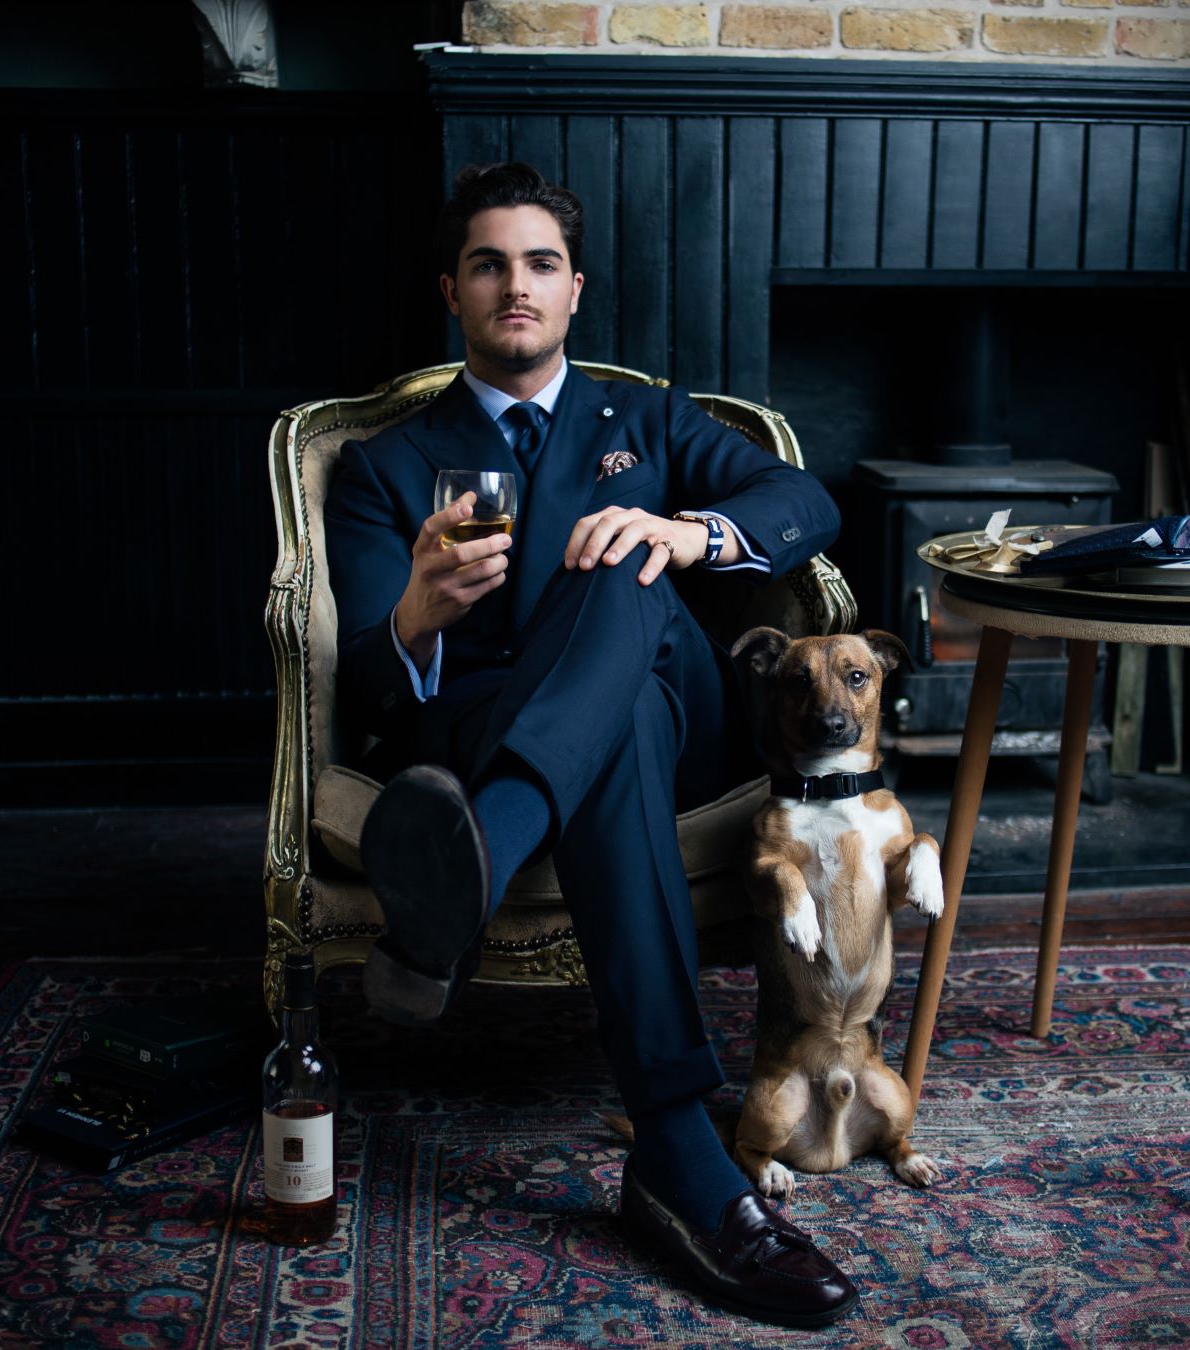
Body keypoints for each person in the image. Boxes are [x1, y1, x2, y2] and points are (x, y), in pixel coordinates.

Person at [324, 162, 856, 1330]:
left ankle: (477, 861)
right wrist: (416, 610)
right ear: (453, 293)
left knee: (626, 564)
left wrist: (685, 528)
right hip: (479, 722)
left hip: (675, 720)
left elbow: (804, 503)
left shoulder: (649, 419)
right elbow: (365, 683)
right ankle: (676, 1149)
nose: (516, 285)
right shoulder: (386, 462)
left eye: (540, 264)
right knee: (602, 742)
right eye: (489, 264)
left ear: (575, 292)